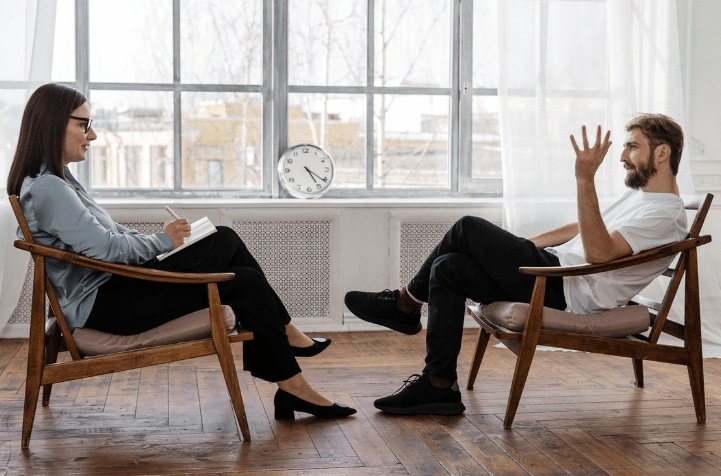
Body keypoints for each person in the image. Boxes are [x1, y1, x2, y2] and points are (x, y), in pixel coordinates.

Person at [7, 83, 355, 420]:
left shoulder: (59, 181)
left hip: (112, 292)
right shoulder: (50, 188)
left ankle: (291, 374)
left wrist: (162, 241)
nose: (92, 135)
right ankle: (289, 354)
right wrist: (162, 242)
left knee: (229, 248)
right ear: (54, 124)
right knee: (238, 266)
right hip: (106, 306)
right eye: (84, 125)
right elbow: (106, 248)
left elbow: (109, 234)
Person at [345, 114, 688, 416]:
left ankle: (405, 303)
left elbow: (599, 253)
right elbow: (583, 228)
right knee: (448, 266)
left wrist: (584, 179)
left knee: (467, 227)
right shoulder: (642, 198)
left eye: (632, 146)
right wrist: (523, 247)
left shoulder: (664, 214)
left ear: (662, 153)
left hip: (565, 289)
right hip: (556, 273)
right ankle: (439, 384)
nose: (623, 156)